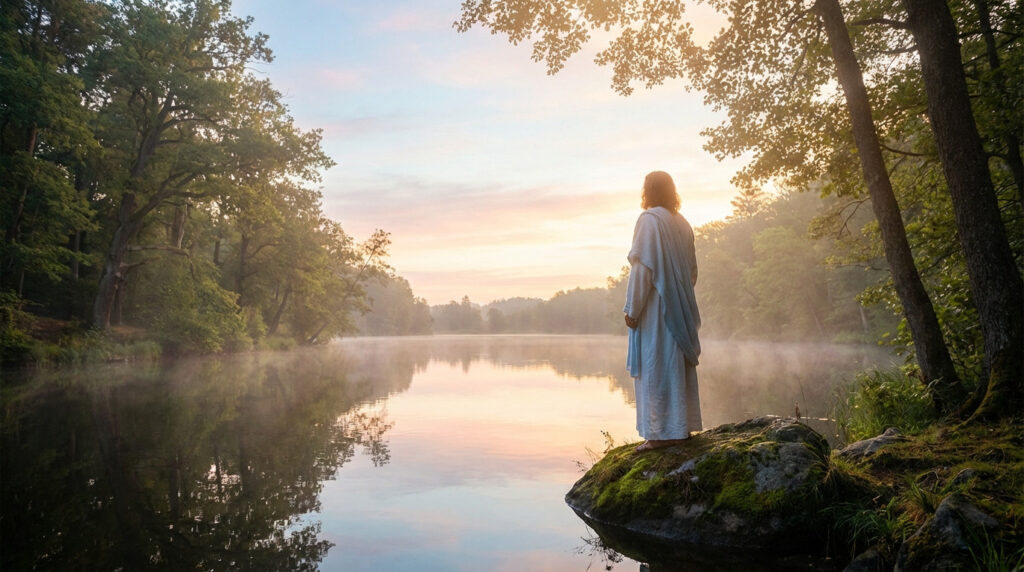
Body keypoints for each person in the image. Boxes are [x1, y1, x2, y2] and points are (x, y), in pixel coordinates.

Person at [623, 171, 702, 452]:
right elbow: (692, 273)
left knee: (656, 366)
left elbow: (642, 270)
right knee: (674, 366)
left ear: (648, 191)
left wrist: (633, 309)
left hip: (657, 309)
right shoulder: (683, 223)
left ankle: (657, 435)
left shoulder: (649, 220)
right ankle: (680, 430)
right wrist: (678, 293)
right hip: (681, 307)